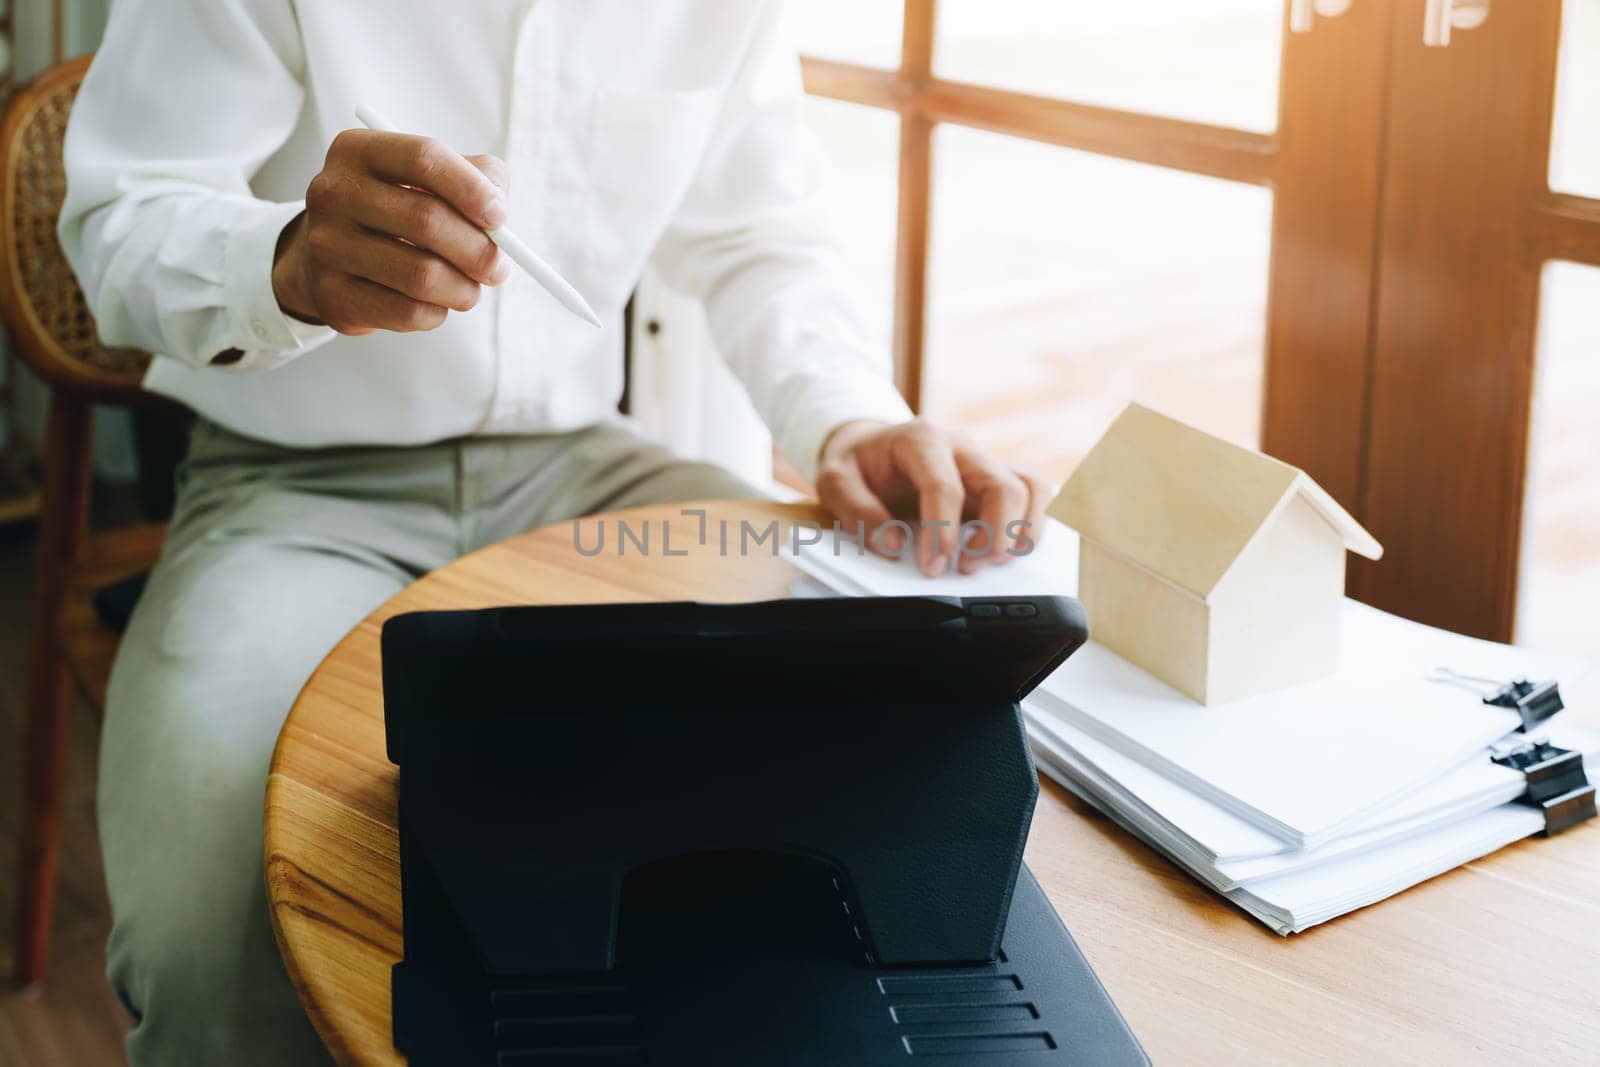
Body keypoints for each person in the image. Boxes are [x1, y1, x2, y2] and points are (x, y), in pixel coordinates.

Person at [59, 1, 1051, 1062]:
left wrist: (850, 415)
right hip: (296, 481)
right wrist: (287, 262)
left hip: (585, 468)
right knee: (211, 927)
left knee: (864, 763)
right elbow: (122, 219)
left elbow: (760, 234)